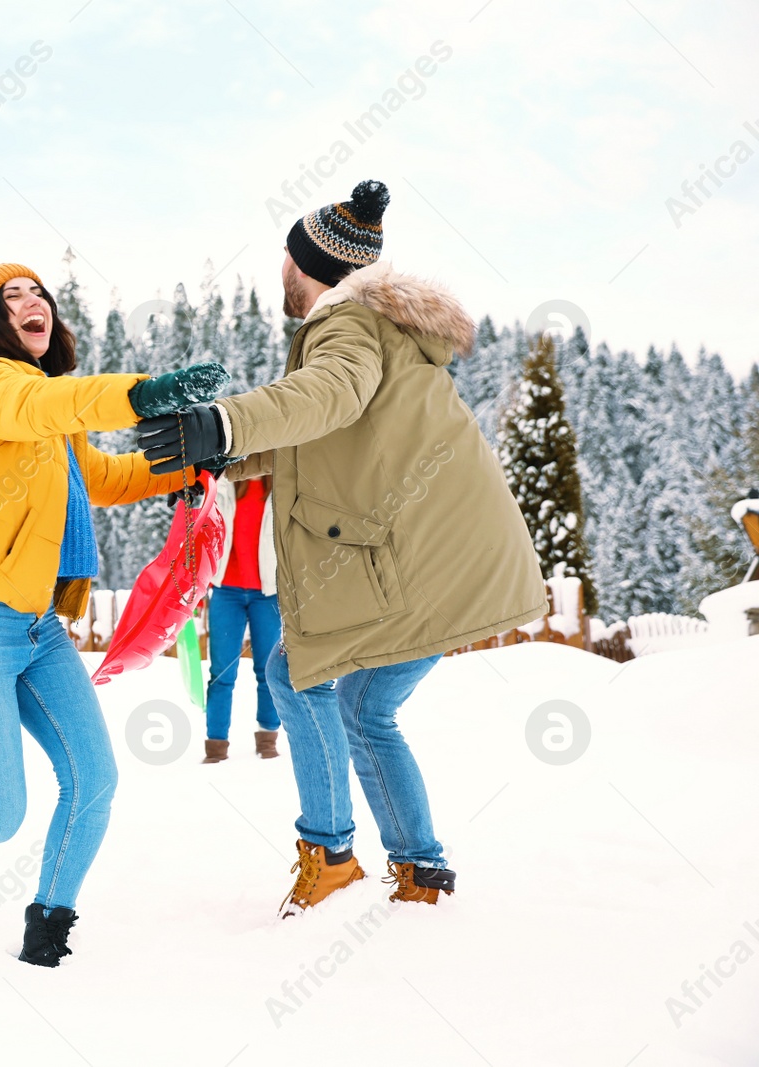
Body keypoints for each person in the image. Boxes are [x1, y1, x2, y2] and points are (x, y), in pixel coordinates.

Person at [138, 181, 545, 913]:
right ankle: (421, 869)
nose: (281, 276)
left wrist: (219, 426)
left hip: (424, 561)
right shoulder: (382, 330)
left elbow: (327, 397)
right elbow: (318, 431)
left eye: (285, 260)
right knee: (361, 706)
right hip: (459, 559)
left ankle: (328, 856)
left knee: (294, 674)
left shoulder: (346, 326)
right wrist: (222, 461)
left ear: (308, 266)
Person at [0, 262, 228, 966]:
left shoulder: (51, 411)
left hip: (36, 626)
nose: (32, 302)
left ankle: (48, 925)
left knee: (94, 779)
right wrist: (143, 394)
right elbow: (51, 406)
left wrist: (188, 462)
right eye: (14, 296)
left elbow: (102, 478)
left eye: (40, 293)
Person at [201, 475, 281, 763]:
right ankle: (216, 745)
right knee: (221, 673)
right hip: (226, 591)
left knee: (268, 672)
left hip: (268, 592)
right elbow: (203, 526)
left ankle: (268, 739)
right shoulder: (225, 482)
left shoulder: (282, 482)